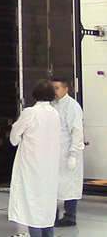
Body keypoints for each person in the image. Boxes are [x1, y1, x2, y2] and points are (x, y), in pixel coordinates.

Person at [8, 79, 61, 237]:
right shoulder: (55, 113)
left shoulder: (30, 113)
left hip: (31, 166)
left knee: (32, 205)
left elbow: (14, 137)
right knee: (47, 204)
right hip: (50, 166)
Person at [51, 78, 84, 227]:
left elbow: (76, 132)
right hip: (54, 153)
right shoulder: (51, 105)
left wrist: (73, 155)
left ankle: (70, 216)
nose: (54, 91)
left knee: (70, 185)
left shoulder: (72, 106)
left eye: (57, 88)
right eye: (52, 88)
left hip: (68, 152)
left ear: (66, 90)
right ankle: (53, 215)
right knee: (54, 186)